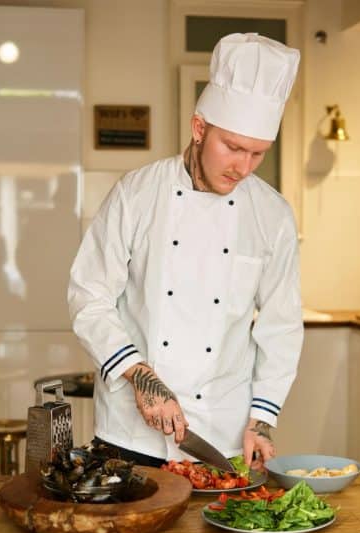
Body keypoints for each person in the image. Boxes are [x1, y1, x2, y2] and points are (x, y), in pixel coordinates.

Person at [68, 32, 303, 470]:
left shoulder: (273, 215)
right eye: (232, 147)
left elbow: (281, 327)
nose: (243, 167)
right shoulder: (137, 194)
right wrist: (141, 377)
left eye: (257, 154)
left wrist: (262, 420)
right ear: (199, 128)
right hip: (129, 433)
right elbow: (89, 296)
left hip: (221, 433)